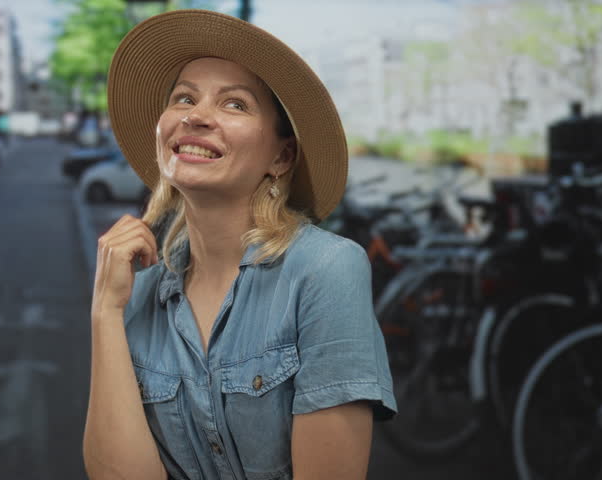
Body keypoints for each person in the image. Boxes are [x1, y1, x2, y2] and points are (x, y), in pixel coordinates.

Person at [84, 10, 397, 480]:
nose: (194, 115)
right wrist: (105, 312)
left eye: (234, 105)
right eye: (184, 97)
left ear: (281, 156)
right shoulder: (139, 290)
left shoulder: (325, 270)